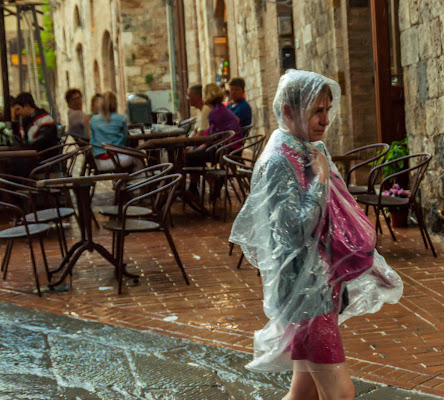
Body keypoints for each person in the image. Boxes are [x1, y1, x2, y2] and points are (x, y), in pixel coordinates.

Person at [229, 70, 403, 400]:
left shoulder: (305, 149)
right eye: (316, 111)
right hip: (307, 292)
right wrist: (320, 182)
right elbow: (293, 232)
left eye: (327, 109)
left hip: (315, 287)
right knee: (340, 393)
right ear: (290, 111)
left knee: (302, 392)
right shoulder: (283, 159)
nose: (325, 119)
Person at [185, 83, 241, 195]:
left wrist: (198, 148)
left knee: (188, 157)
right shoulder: (219, 109)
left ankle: (196, 187)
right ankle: (198, 186)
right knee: (192, 155)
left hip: (225, 151)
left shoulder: (215, 112)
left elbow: (211, 139)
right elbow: (210, 134)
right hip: (229, 148)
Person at [89, 91, 143, 172]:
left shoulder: (93, 120)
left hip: (99, 162)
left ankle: (125, 181)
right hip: (117, 159)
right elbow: (125, 138)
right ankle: (138, 183)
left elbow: (92, 140)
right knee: (139, 157)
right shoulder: (121, 119)